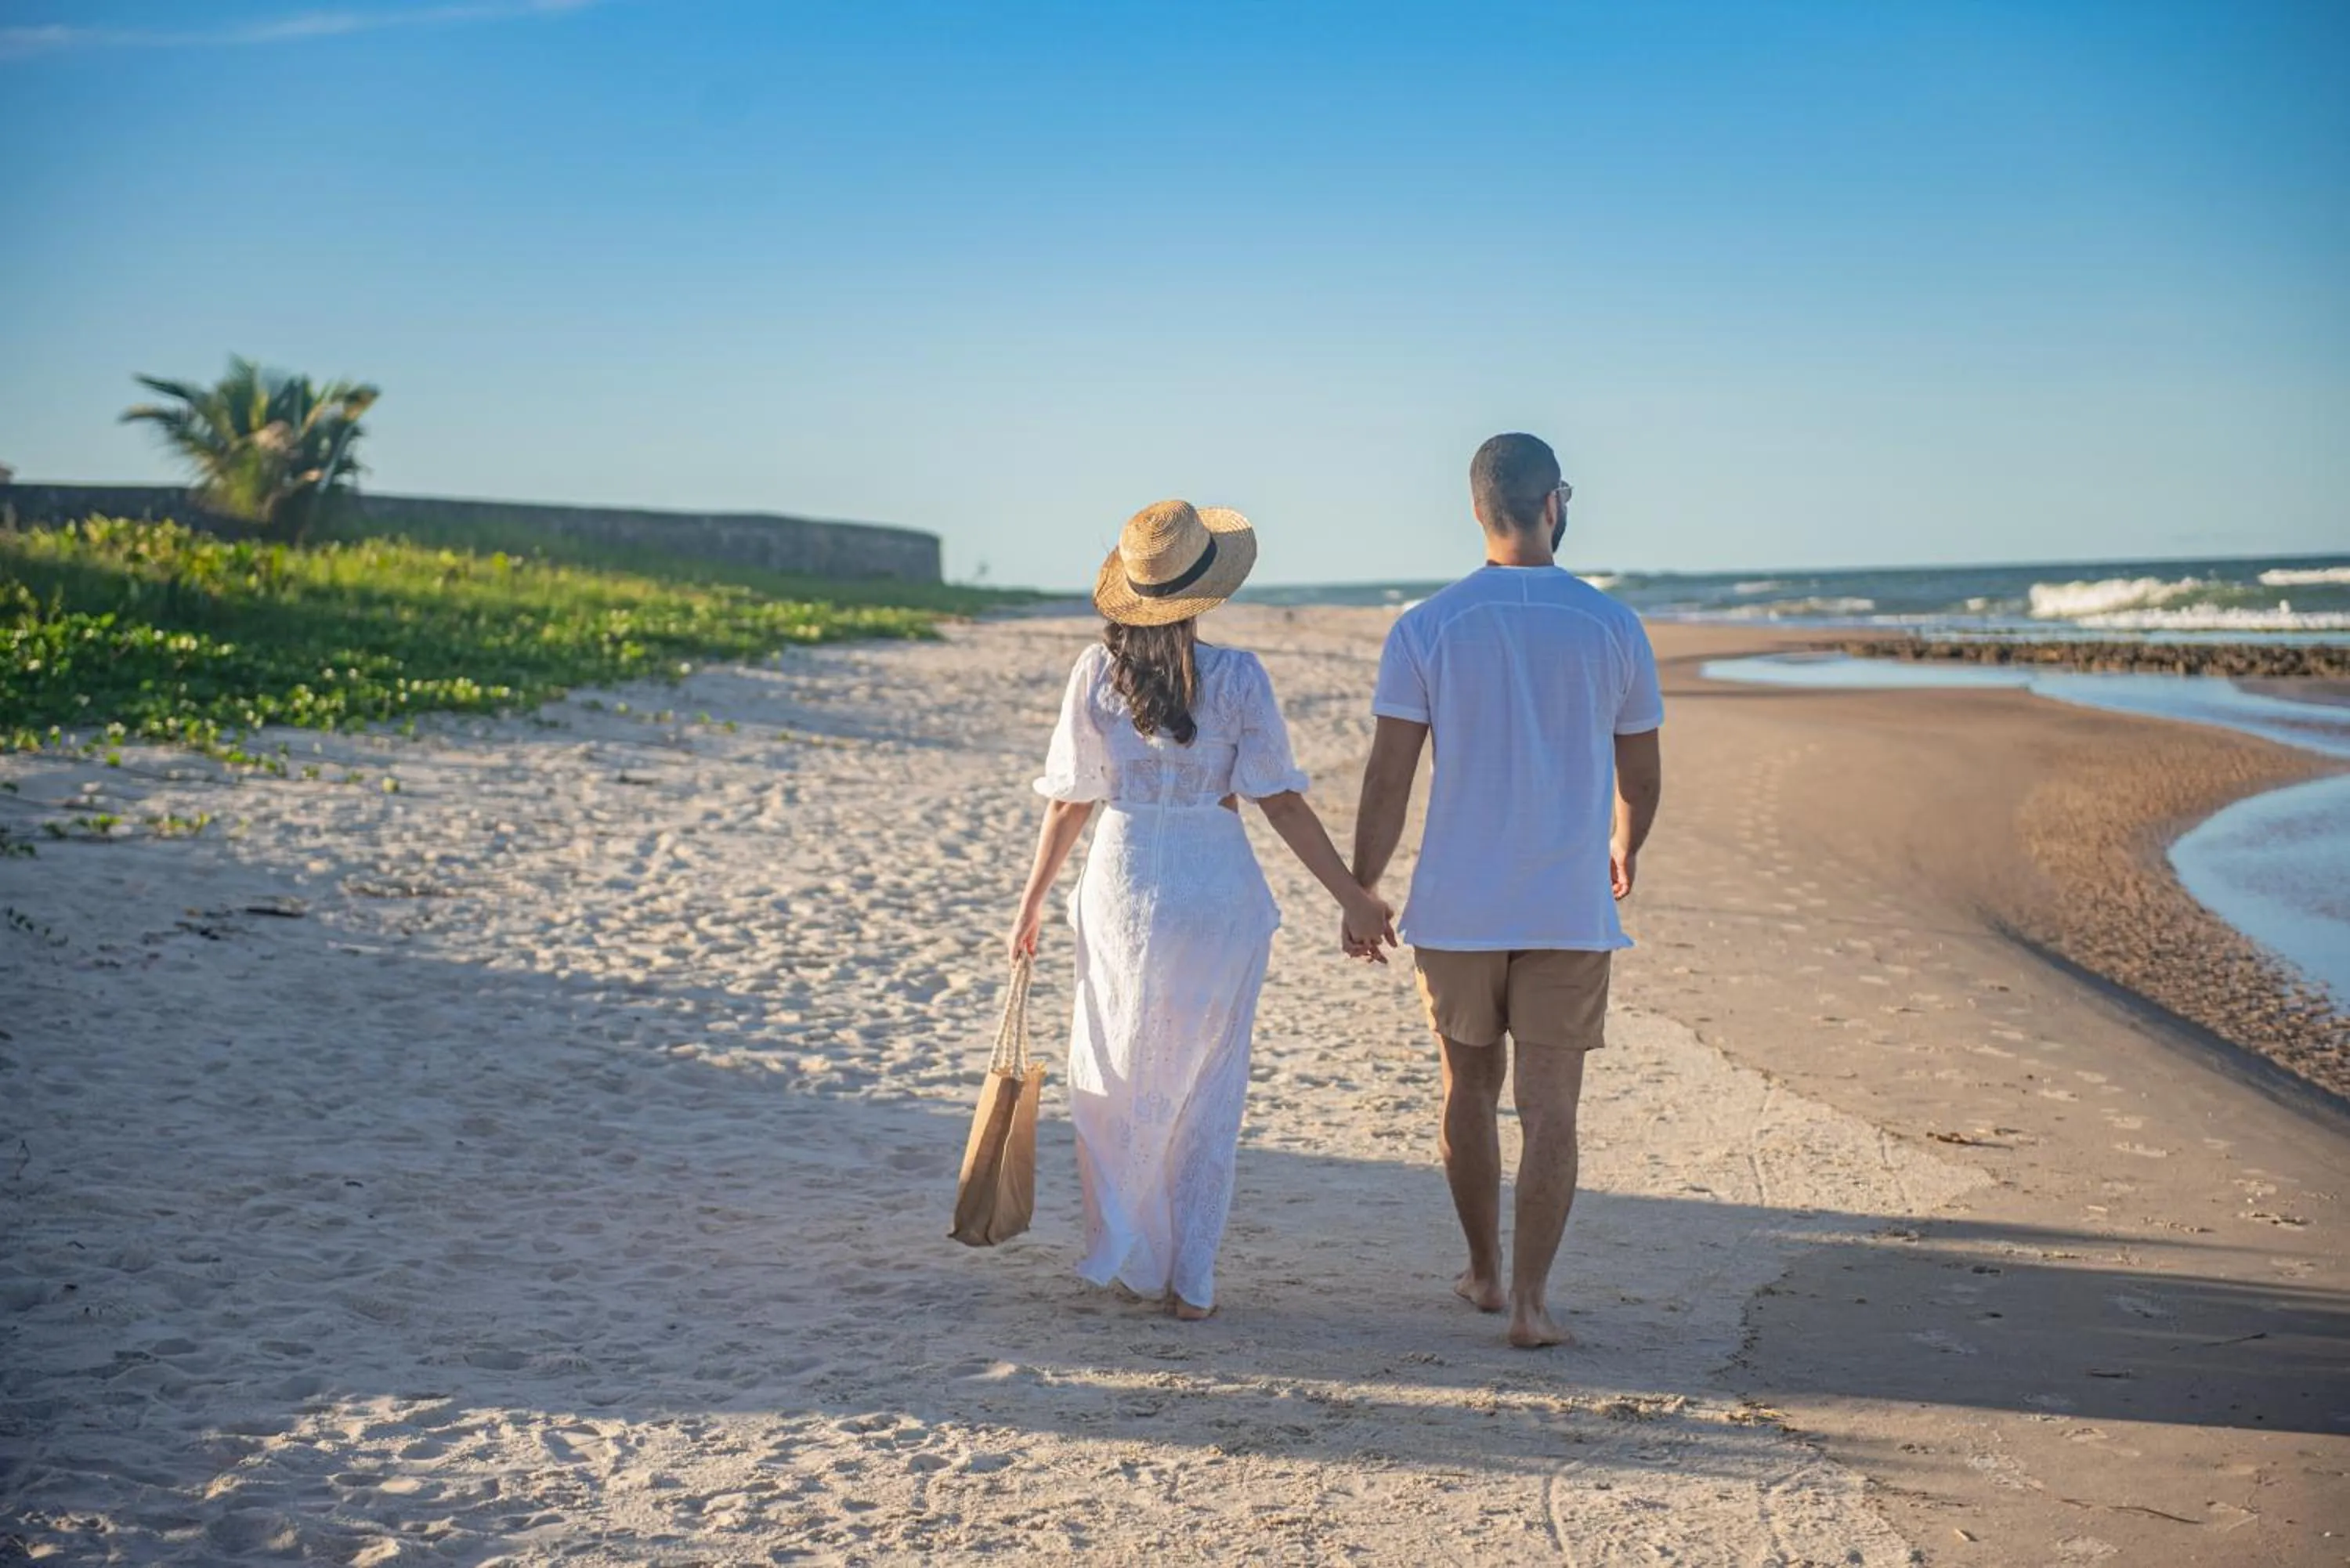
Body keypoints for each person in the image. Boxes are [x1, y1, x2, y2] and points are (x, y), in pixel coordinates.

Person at [1009, 499, 1394, 1321]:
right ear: (1205, 593)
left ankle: (1133, 1252)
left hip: (1119, 885)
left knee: (1113, 1068)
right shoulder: (1239, 678)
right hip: (1213, 889)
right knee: (1207, 1080)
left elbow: (1068, 802)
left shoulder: (1094, 675)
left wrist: (1031, 902)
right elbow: (1281, 803)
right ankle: (1191, 1283)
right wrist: (1354, 898)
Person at [1345, 433, 1664, 1349]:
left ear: (1477, 510)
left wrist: (1364, 887)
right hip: (1567, 904)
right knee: (1553, 1107)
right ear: (1554, 503)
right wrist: (1624, 845)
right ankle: (1531, 1303)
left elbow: (1388, 778)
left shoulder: (1428, 625)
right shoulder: (1613, 625)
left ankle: (1483, 1272)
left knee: (1467, 1090)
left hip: (1458, 905)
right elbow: (1640, 774)